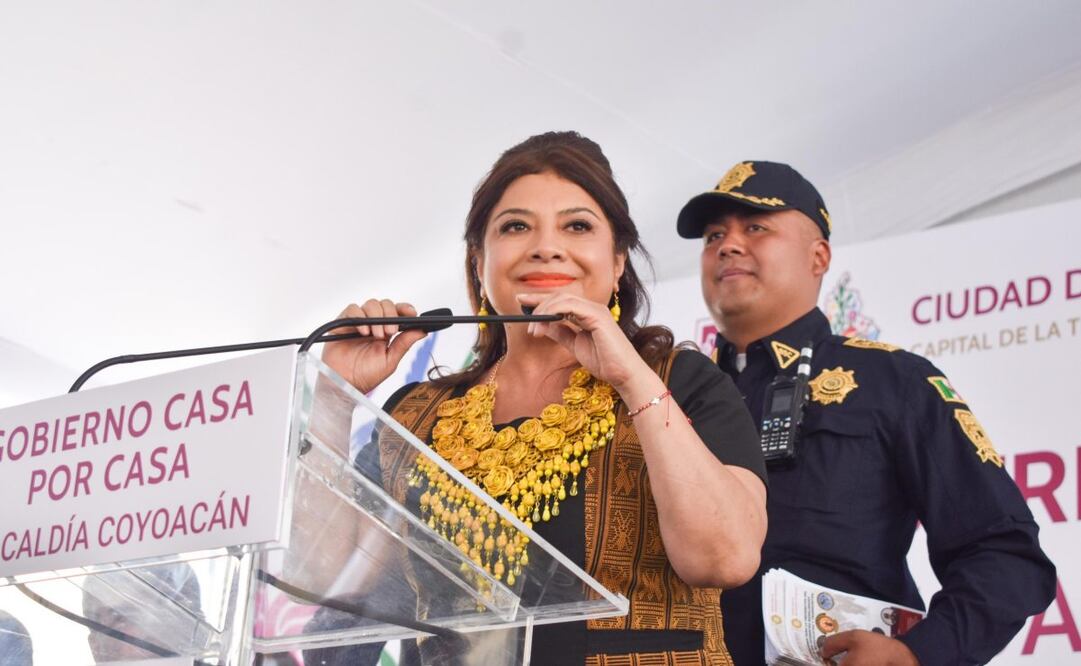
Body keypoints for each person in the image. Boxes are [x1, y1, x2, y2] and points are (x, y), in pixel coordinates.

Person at [320, 132, 768, 665]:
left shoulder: (682, 381)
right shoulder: (417, 415)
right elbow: (331, 583)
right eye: (515, 226)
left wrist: (630, 376)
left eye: (577, 226)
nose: (546, 246)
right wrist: (333, 396)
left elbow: (726, 558)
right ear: (479, 261)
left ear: (618, 260)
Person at [676, 160, 1057, 665]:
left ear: (818, 257)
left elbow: (1005, 553)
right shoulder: (669, 396)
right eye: (713, 235)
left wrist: (915, 655)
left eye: (756, 227)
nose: (727, 244)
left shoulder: (892, 380)